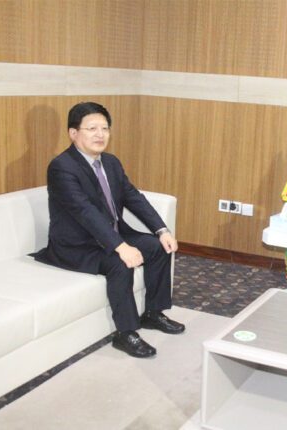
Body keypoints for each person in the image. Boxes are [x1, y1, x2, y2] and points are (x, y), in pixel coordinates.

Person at [32, 101, 184, 359]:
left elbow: (133, 197)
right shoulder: (62, 167)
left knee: (158, 247)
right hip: (78, 245)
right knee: (119, 263)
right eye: (91, 128)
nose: (100, 135)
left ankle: (153, 313)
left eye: (104, 128)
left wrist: (161, 230)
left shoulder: (111, 162)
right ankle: (126, 333)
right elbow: (85, 212)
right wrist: (121, 246)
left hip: (111, 234)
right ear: (73, 133)